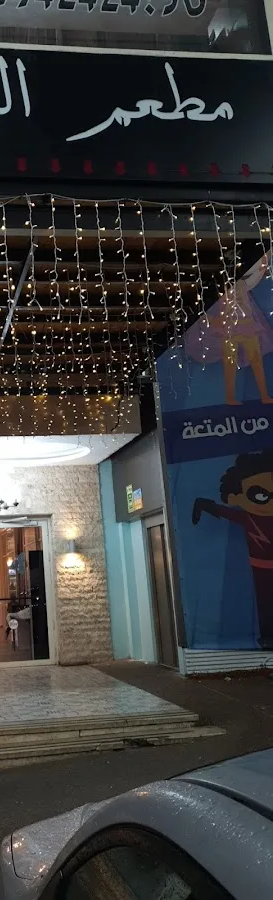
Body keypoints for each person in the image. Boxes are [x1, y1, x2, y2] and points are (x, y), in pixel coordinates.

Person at [193, 449, 273, 648]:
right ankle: (268, 636)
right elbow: (224, 512)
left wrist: (205, 505)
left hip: (259, 567)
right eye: (261, 495)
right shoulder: (248, 517)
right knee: (265, 603)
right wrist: (205, 505)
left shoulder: (248, 517)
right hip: (260, 569)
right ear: (235, 497)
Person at [185, 253, 273, 406]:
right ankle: (231, 398)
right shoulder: (217, 291)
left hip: (247, 328)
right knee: (230, 366)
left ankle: (264, 396)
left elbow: (258, 273)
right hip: (228, 331)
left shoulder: (242, 285)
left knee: (255, 363)